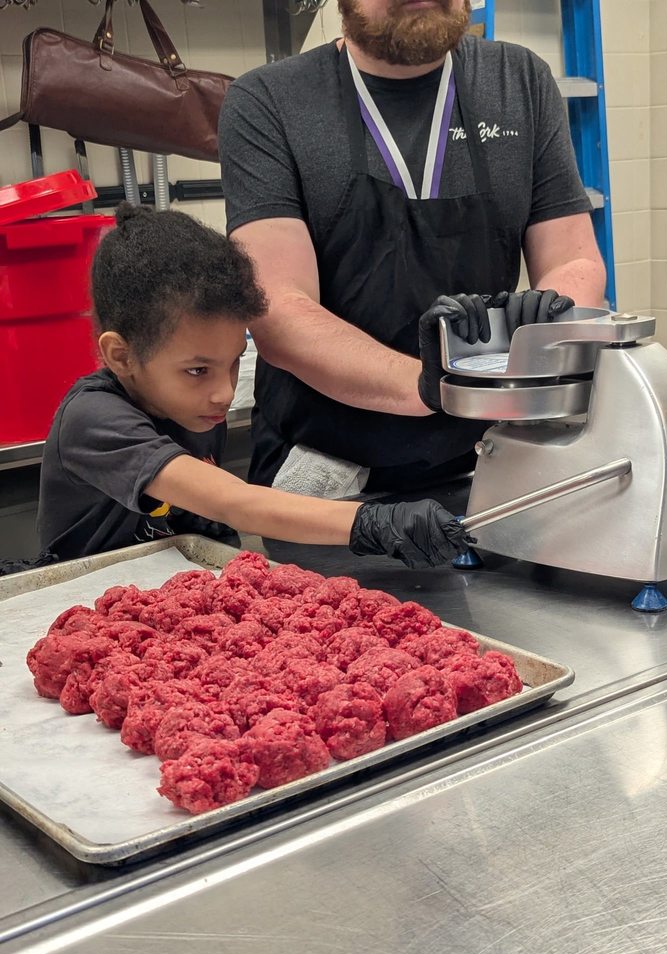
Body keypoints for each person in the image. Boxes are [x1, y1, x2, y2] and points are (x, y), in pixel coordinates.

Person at [219, 0, 607, 496]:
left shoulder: (520, 80)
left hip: (495, 454)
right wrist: (438, 385)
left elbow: (573, 259)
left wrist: (550, 320)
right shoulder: (268, 100)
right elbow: (278, 310)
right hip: (332, 476)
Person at [32, 204, 470, 572]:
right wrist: (372, 523)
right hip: (82, 600)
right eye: (198, 370)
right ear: (122, 357)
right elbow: (236, 503)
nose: (224, 393)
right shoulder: (93, 420)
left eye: (234, 363)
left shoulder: (194, 406)